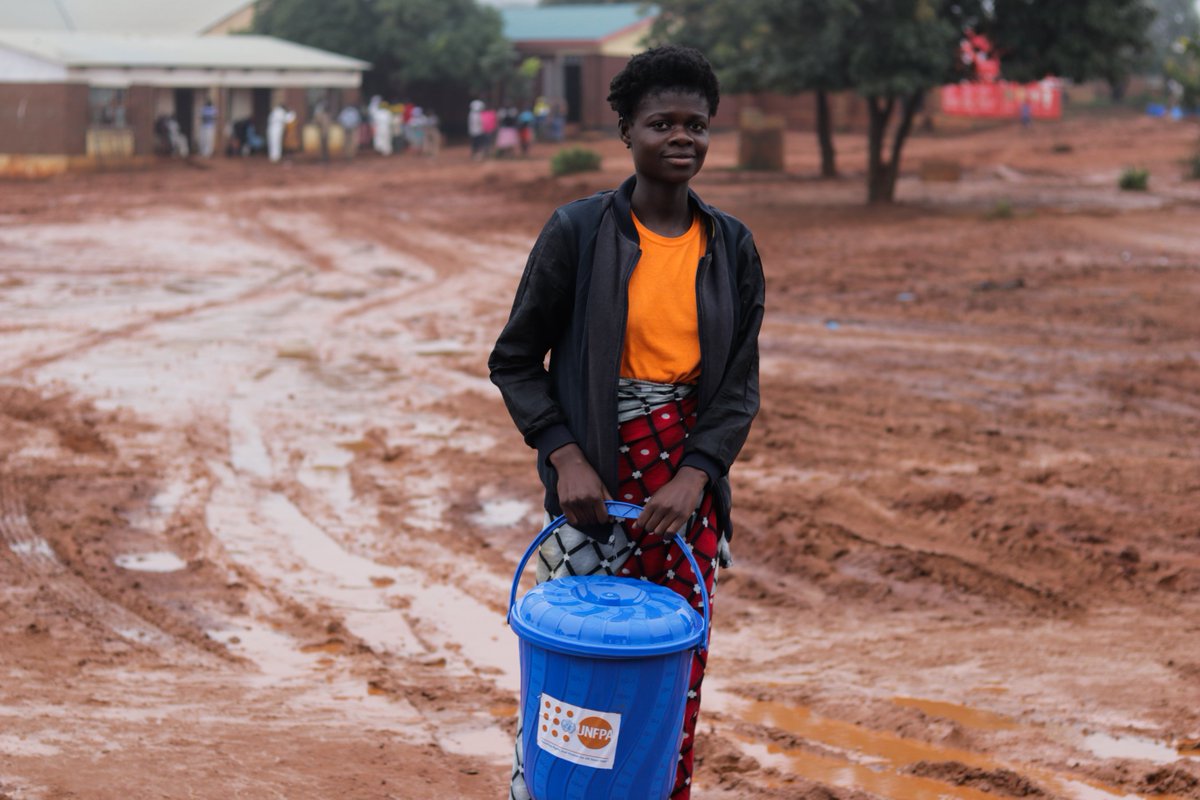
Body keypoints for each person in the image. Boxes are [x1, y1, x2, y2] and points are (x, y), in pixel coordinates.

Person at [489, 45, 764, 800]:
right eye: (662, 123)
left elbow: (737, 389)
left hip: (682, 498)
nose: (682, 138)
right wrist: (565, 457)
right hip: (593, 492)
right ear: (626, 132)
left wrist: (695, 479)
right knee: (572, 685)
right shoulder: (578, 232)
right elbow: (514, 360)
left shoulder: (731, 247)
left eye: (697, 125)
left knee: (670, 677)